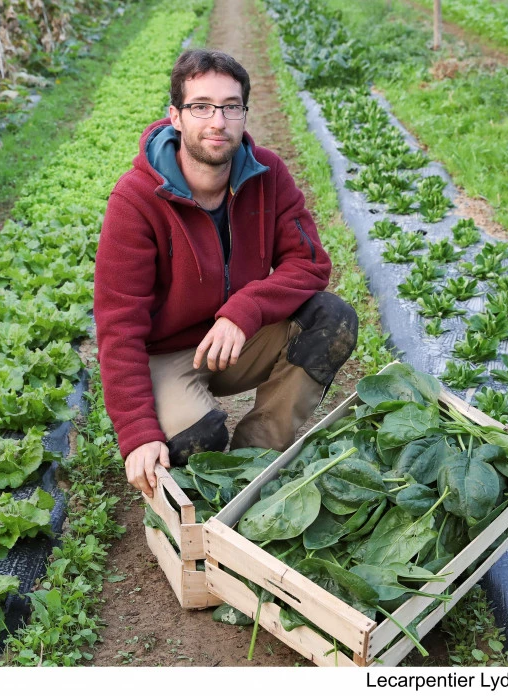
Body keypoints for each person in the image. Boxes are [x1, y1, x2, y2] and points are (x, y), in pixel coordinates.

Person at [94, 49, 358, 498]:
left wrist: (244, 310)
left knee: (331, 319)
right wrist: (137, 432)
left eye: (230, 106)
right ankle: (197, 458)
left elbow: (309, 262)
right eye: (201, 106)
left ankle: (258, 460)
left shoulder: (267, 173)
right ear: (175, 117)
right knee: (198, 443)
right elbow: (118, 328)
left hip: (238, 341)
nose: (217, 121)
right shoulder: (136, 200)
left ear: (243, 114)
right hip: (168, 353)